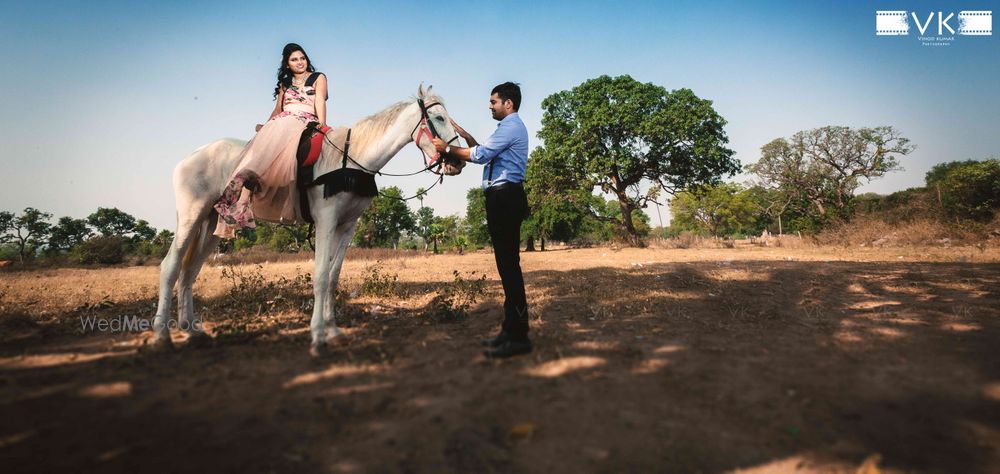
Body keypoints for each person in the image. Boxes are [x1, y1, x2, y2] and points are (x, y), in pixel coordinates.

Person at [432, 82, 532, 358]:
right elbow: (482, 150)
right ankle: (510, 330)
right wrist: (461, 134)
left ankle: (519, 336)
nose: (490, 106)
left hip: (505, 197)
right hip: (502, 198)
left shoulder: (511, 126)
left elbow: (480, 155)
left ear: (507, 104)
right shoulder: (507, 129)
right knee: (506, 266)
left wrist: (446, 148)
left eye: (493, 102)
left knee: (509, 267)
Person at [213, 43, 328, 238]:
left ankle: (243, 199)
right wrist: (266, 126)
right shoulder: (285, 83)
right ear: (287, 64)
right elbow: (278, 110)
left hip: (304, 120)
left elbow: (319, 103)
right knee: (262, 147)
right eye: (294, 60)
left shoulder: (318, 78)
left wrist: (322, 125)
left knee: (283, 134)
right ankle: (242, 200)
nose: (300, 62)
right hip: (282, 120)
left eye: (302, 58)